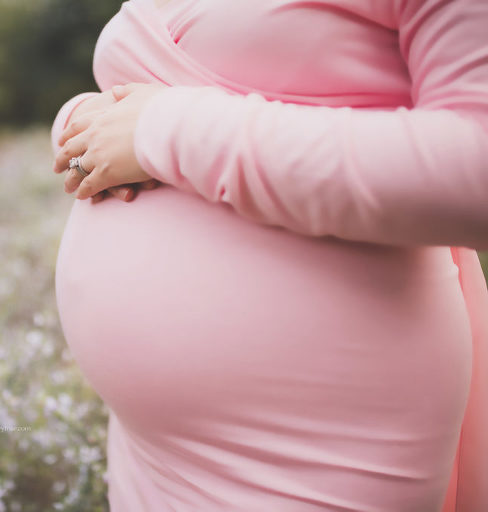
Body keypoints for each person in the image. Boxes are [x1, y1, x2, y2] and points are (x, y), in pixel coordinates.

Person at [49, 0, 488, 510]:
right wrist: (81, 126)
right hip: (150, 453)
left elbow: (474, 172)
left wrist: (169, 130)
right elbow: (142, 98)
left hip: (317, 441)